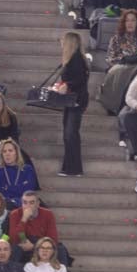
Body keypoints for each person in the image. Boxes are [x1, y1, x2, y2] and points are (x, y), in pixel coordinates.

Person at [52, 31, 90, 177]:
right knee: (69, 134)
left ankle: (72, 168)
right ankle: (71, 167)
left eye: (63, 40)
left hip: (76, 101)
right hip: (73, 101)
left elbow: (79, 80)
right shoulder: (74, 59)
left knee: (70, 134)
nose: (61, 43)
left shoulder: (76, 60)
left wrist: (67, 85)